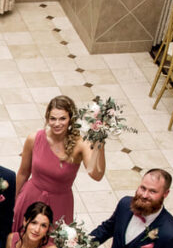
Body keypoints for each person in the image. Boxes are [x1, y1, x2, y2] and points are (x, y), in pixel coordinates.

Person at [11, 95, 106, 233]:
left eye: (62, 118)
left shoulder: (81, 144)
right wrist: (13, 202)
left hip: (60, 205)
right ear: (47, 118)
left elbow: (96, 175)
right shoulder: (34, 138)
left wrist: (100, 144)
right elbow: (23, 173)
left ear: (71, 119)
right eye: (53, 119)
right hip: (30, 198)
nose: (57, 124)